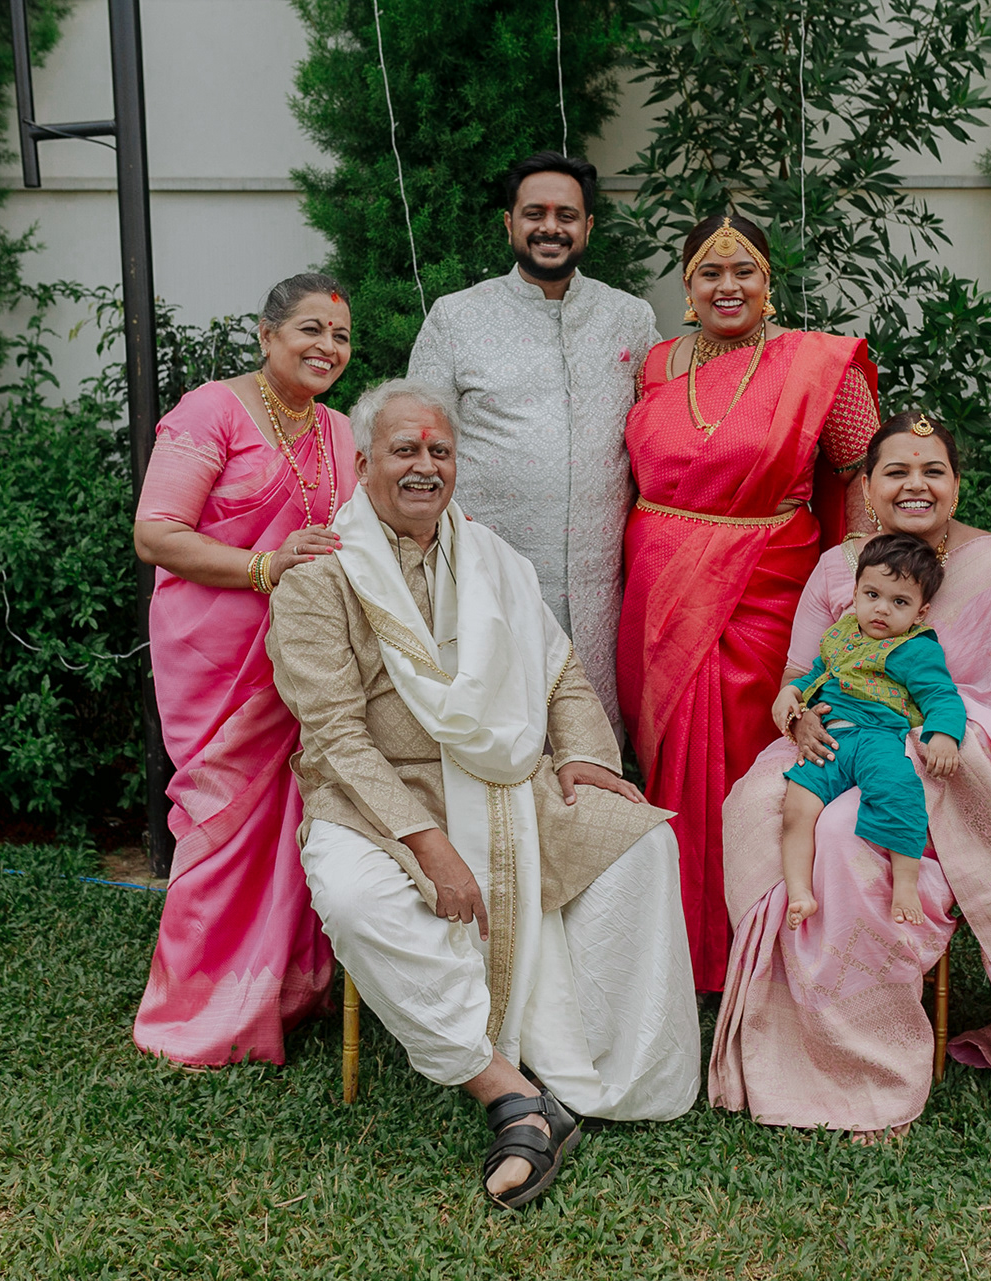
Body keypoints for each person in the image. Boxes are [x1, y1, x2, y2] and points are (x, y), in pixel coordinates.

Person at [269, 379, 700, 1209]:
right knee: (357, 901)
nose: (424, 465)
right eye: (404, 449)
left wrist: (585, 754)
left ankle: (602, 1062)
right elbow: (336, 736)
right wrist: (429, 842)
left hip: (507, 778)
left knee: (643, 841)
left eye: (440, 451)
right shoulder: (319, 574)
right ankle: (510, 1093)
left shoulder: (492, 557)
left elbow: (559, 670)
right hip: (374, 797)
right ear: (362, 463)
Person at [711, 412, 991, 1135]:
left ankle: (873, 1067)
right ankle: (788, 1040)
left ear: (957, 484)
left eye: (932, 470)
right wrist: (798, 718)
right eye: (896, 471)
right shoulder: (837, 568)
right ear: (868, 488)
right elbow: (796, 678)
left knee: (849, 836)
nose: (915, 485)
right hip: (833, 739)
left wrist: (924, 742)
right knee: (756, 804)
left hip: (939, 769)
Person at [621, 212, 881, 991]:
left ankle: (763, 941)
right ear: (688, 286)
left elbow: (862, 473)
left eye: (745, 272)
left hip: (768, 588)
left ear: (769, 284)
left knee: (751, 758)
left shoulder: (818, 364)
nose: (727, 286)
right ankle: (679, 948)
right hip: (660, 591)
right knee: (670, 761)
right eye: (710, 272)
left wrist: (858, 578)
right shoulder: (658, 365)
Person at [129, 273, 356, 1065]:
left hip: (303, 656)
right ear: (266, 335)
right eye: (310, 330)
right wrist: (265, 566)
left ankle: (285, 992)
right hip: (217, 653)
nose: (328, 347)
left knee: (297, 822)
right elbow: (156, 533)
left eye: (341, 336)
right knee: (223, 827)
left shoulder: (338, 429)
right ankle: (195, 1009)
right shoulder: (212, 410)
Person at [407, 151, 661, 725]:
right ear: (509, 223)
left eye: (566, 215)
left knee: (593, 738)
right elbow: (418, 442)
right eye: (535, 213)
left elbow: (661, 432)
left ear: (588, 226)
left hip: (602, 587)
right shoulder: (456, 317)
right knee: (496, 731)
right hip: (487, 576)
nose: (551, 227)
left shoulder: (630, 318)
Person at [774, 534, 966, 932]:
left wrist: (944, 735)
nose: (881, 609)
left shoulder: (915, 649)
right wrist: (793, 693)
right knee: (796, 810)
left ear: (920, 612)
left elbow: (940, 694)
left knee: (899, 792)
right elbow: (817, 675)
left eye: (899, 602)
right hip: (828, 740)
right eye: (872, 595)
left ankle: (906, 886)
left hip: (877, 736)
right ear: (856, 593)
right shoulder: (842, 633)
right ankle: (800, 892)